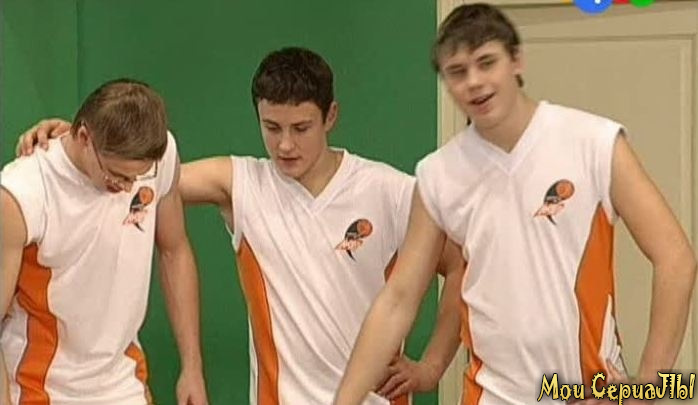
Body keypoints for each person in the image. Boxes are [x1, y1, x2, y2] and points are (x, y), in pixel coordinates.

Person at [15, 48, 464, 405]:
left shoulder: (390, 191)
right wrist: (75, 146)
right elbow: (141, 173)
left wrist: (431, 367)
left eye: (301, 128)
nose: (285, 144)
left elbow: (460, 264)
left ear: (330, 116)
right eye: (272, 127)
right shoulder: (241, 183)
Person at [334, 3, 697, 404]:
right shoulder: (438, 174)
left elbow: (675, 258)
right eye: (457, 72)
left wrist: (646, 390)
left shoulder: (593, 142)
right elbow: (398, 300)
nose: (474, 82)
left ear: (516, 60)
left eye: (486, 62)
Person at [1, 79, 208, 405]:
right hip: (40, 388)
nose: (127, 188)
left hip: (122, 383)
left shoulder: (161, 155)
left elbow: (174, 250)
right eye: (118, 176)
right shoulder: (23, 193)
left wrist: (192, 367)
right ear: (85, 138)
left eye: (137, 178)